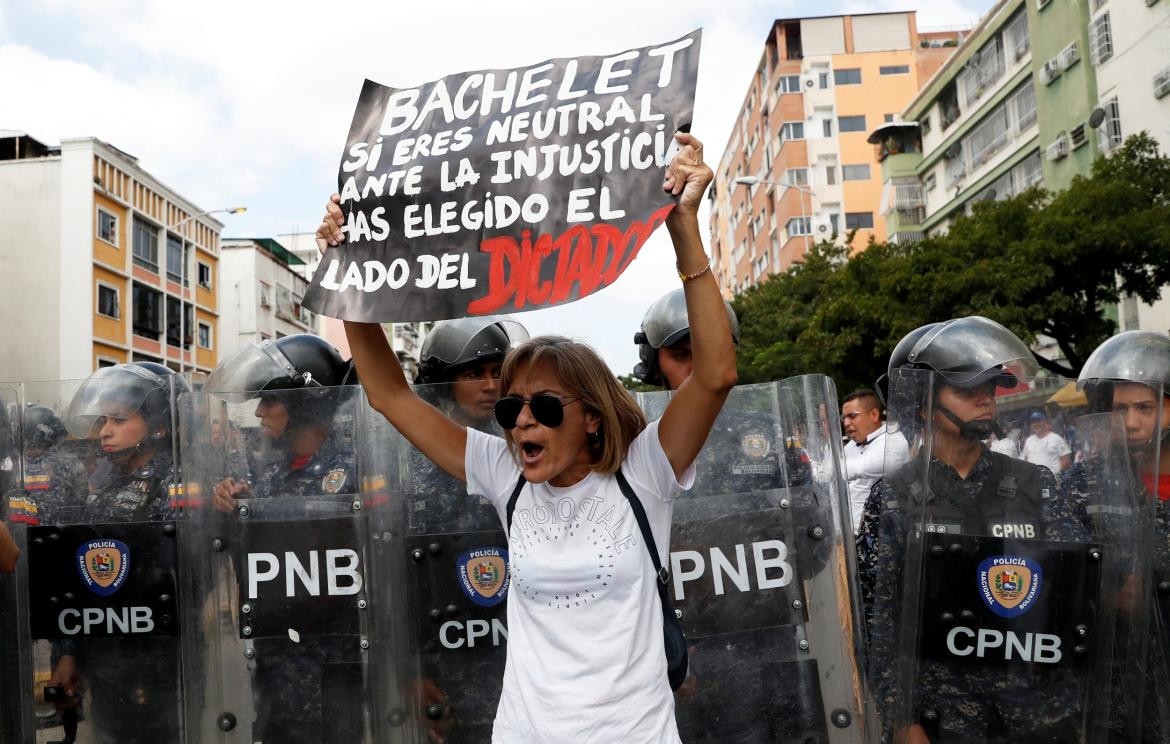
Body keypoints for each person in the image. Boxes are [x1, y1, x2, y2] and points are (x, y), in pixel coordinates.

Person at [316, 131, 737, 742]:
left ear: (592, 416)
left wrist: (683, 228)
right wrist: (347, 270)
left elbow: (716, 374)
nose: (521, 421)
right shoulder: (503, 473)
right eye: (512, 407)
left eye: (543, 404)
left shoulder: (644, 472)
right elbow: (390, 396)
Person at [863, 316, 1089, 743]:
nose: (985, 400)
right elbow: (879, 622)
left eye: (989, 390)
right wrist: (901, 719)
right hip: (944, 717)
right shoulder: (893, 496)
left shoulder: (1036, 484)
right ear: (926, 403)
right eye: (968, 391)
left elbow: (1075, 594)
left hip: (1036, 714)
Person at [204, 334, 362, 743]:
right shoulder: (268, 476)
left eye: (269, 400)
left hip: (338, 668)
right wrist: (233, 511)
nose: (258, 412)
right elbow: (251, 562)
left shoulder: (355, 471)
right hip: (276, 668)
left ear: (303, 402)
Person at [46, 361, 185, 744]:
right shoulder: (100, 482)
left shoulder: (177, 484)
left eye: (119, 419)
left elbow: (183, 580)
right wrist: (67, 653)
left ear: (159, 425)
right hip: (101, 656)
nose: (104, 431)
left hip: (160, 662)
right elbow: (78, 577)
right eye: (104, 419)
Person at [1068, 329, 1170, 742]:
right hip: (1114, 694)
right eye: (1120, 408)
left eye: (1145, 407)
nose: (1131, 422)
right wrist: (1105, 594)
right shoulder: (1083, 484)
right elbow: (1059, 578)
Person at [841, 389, 908, 533]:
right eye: (844, 417)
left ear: (874, 415)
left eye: (852, 416)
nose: (846, 423)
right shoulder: (852, 445)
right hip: (846, 533)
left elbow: (861, 467)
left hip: (877, 536)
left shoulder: (894, 441)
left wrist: (824, 471)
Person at [1020, 410, 1071, 476]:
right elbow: (1025, 459)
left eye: (1038, 420)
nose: (1036, 424)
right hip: (1034, 480)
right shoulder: (1029, 440)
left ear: (1045, 422)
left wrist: (1058, 477)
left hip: (1052, 479)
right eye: (1033, 421)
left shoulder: (1056, 438)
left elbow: (1066, 459)